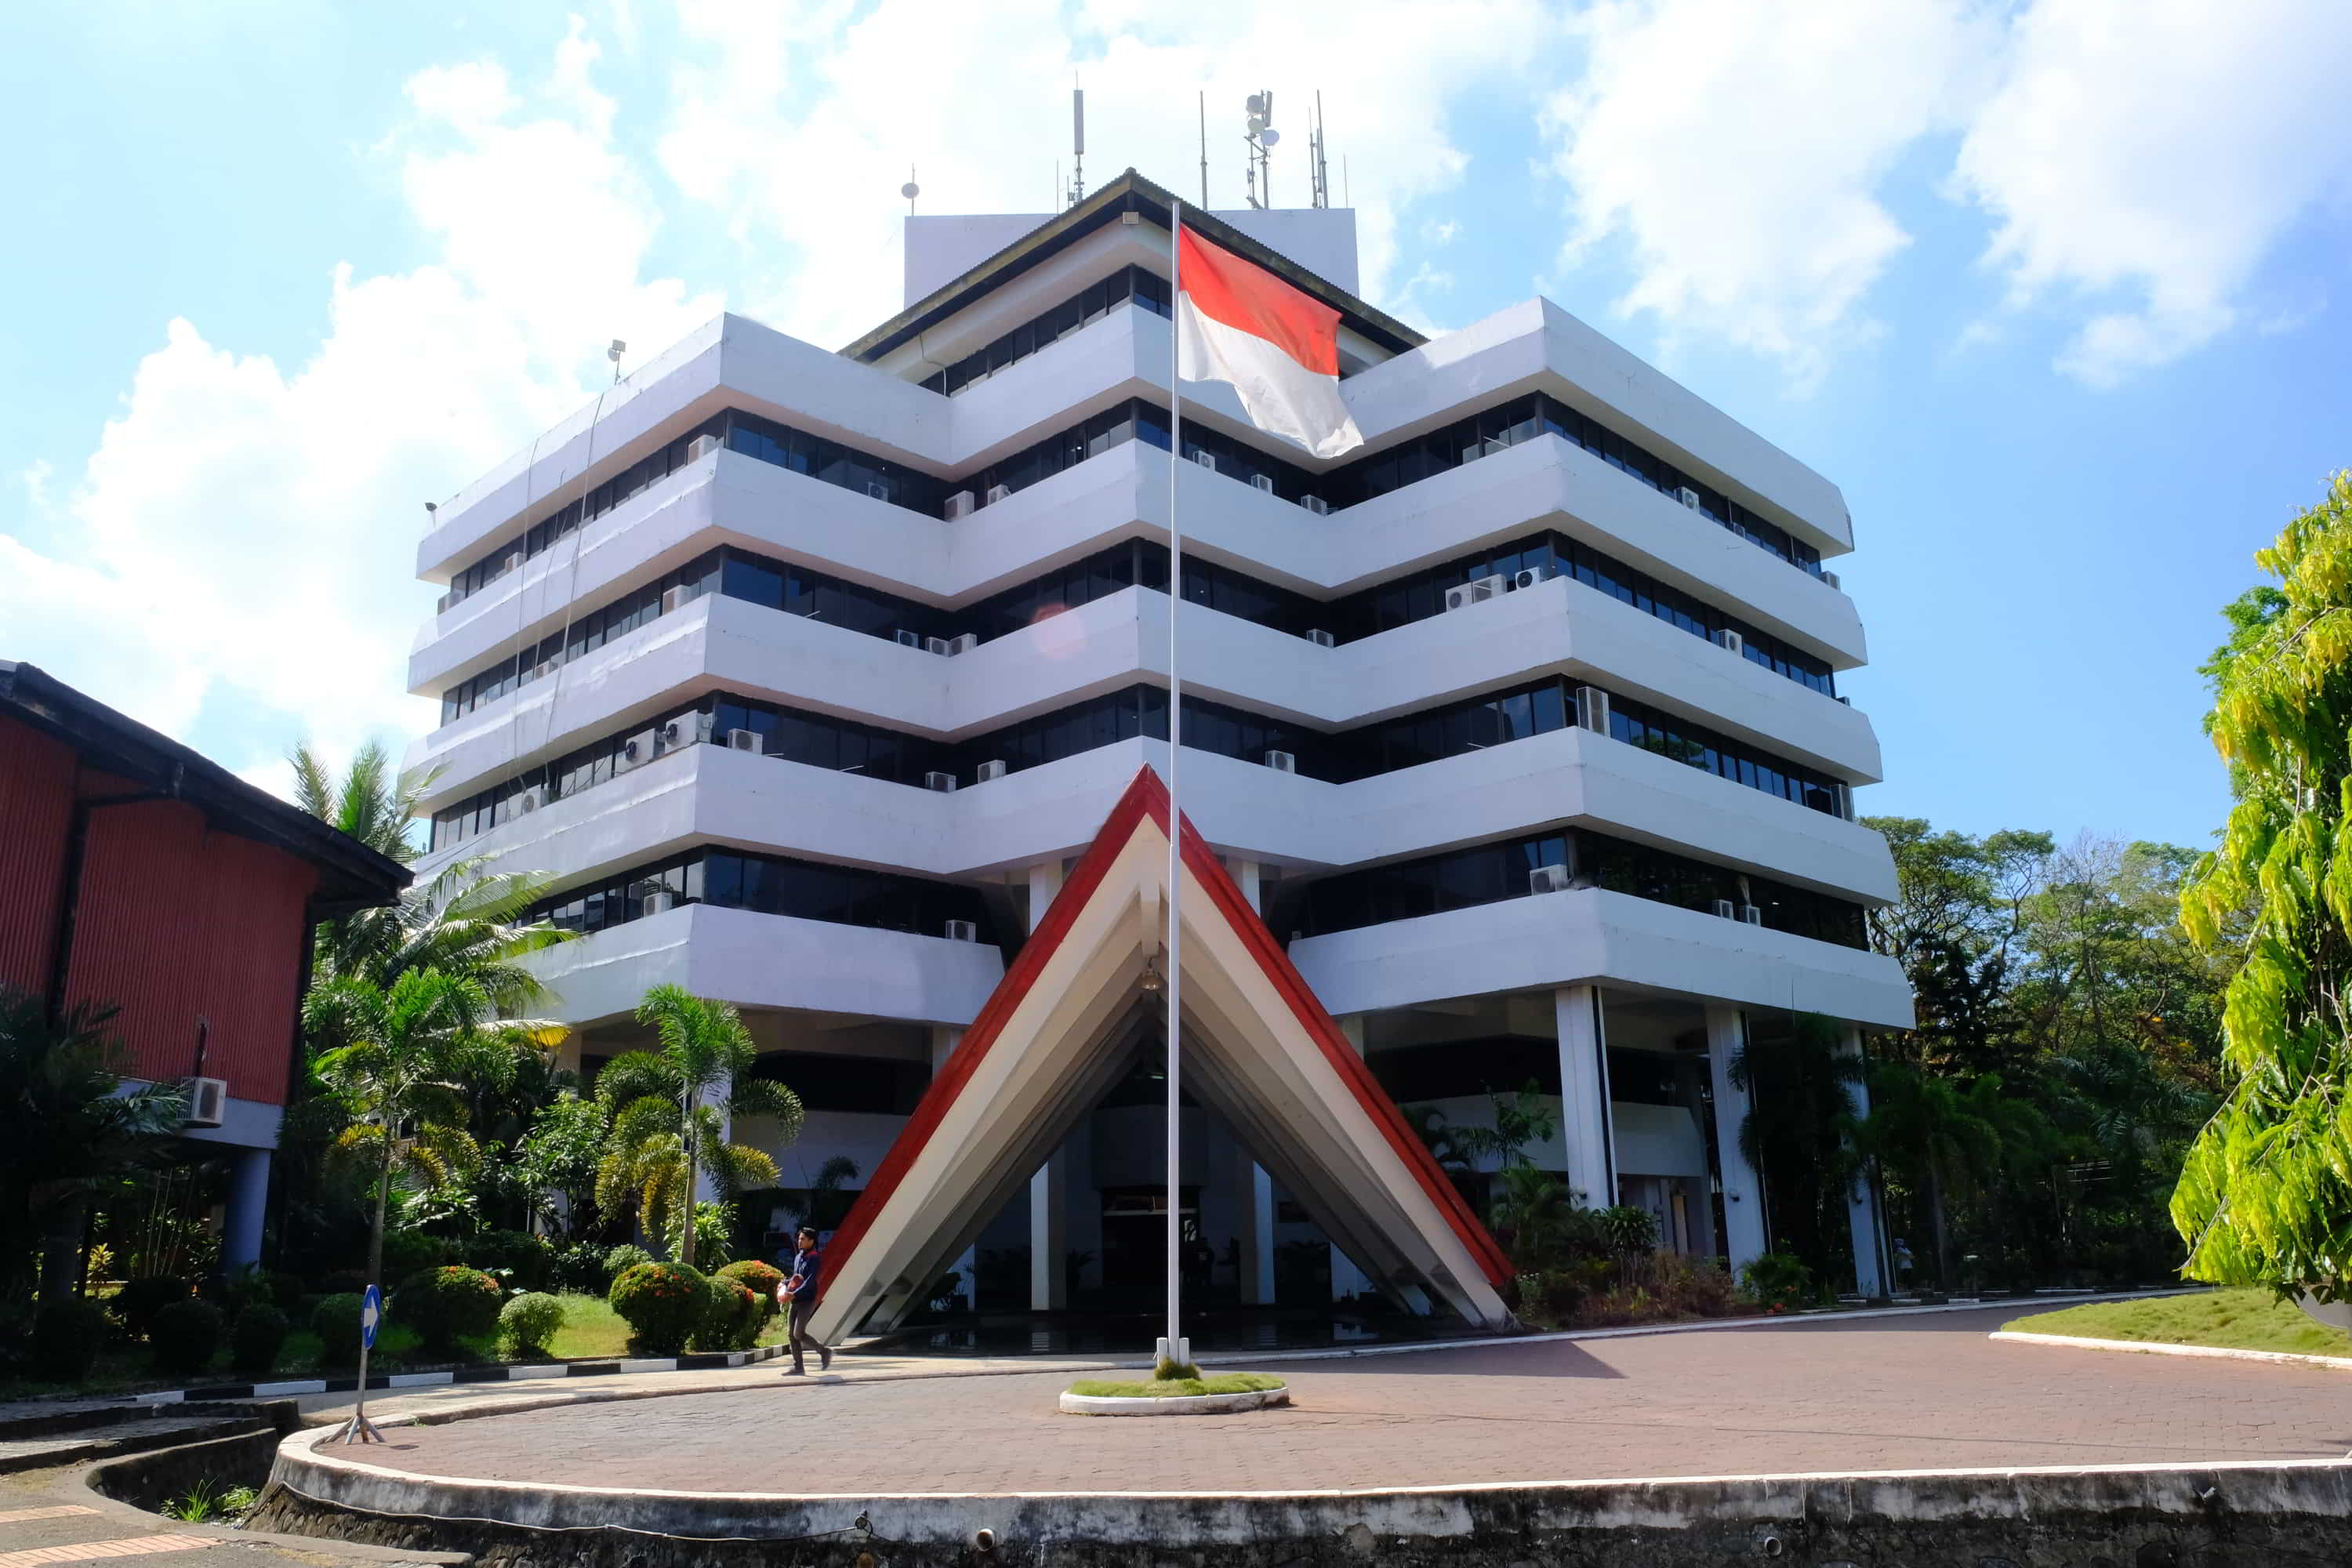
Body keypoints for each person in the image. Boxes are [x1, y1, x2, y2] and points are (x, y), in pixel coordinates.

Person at [779, 1225, 833, 1376]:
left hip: (807, 1300)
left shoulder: (814, 1258)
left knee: (798, 1333)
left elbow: (809, 1282)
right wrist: (785, 1283)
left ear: (811, 1241)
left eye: (803, 1239)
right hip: (795, 1299)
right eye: (799, 1238)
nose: (799, 1241)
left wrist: (793, 1294)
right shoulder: (799, 1257)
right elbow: (797, 1278)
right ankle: (798, 1367)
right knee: (791, 1334)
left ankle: (823, 1351)